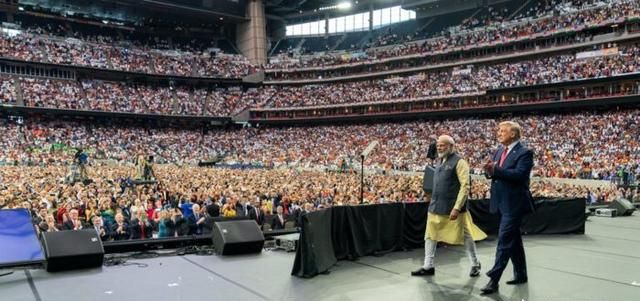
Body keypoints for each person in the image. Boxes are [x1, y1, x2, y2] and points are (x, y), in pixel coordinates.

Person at [411, 135, 486, 277]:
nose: (439, 147)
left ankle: (475, 263)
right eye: (438, 145)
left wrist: (457, 207)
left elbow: (465, 186)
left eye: (443, 145)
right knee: (430, 235)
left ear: (451, 146)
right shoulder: (439, 161)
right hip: (436, 206)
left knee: (466, 236)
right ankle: (428, 266)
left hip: (454, 208)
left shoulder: (460, 162)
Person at [480, 121, 535, 295]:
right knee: (514, 241)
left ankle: (493, 279)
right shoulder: (499, 151)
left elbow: (519, 175)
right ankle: (521, 274)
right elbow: (494, 174)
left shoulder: (525, 152)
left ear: (513, 134)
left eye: (503, 131)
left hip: (514, 204)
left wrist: (495, 170)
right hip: (501, 202)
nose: (499, 133)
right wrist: (488, 170)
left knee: (504, 240)